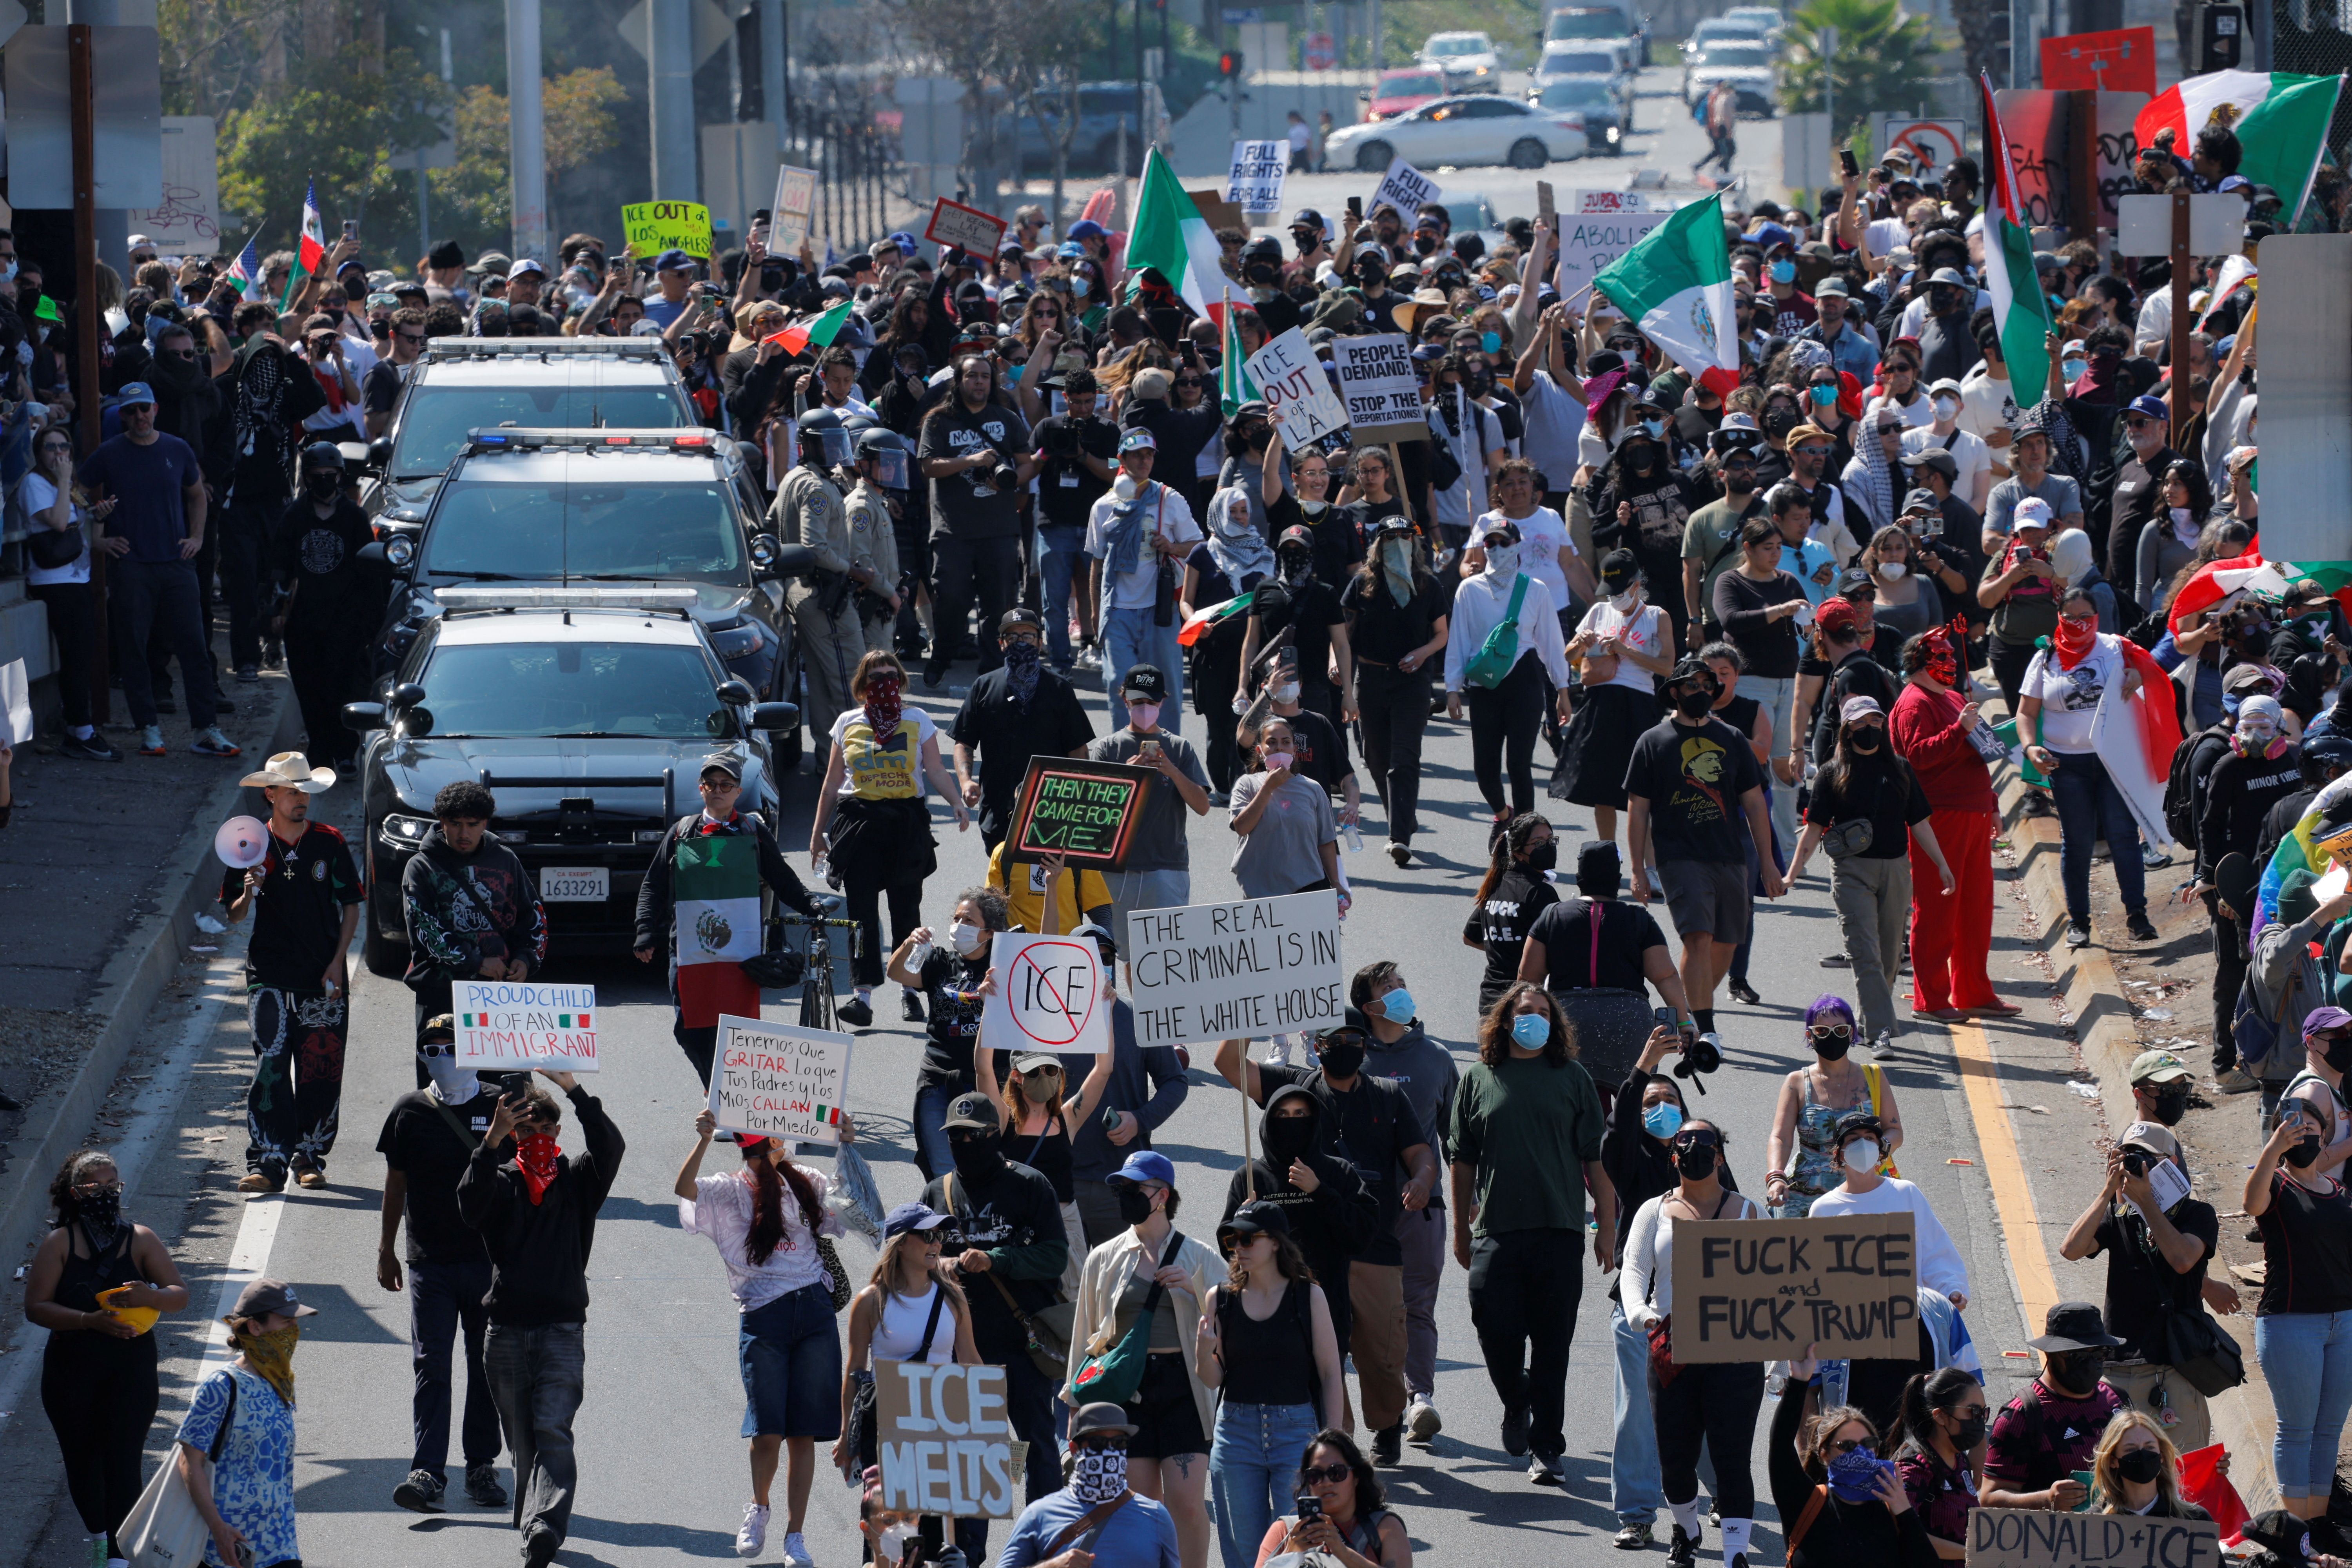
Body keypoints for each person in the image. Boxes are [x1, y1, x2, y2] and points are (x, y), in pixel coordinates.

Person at [1212, 1010, 1434, 1463]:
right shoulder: (1295, 1085)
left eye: (1355, 1036)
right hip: (1307, 1258)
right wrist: (1242, 1006)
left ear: (1366, 1044)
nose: (1346, 1044)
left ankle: (1390, 1420)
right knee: (1321, 1356)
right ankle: (1337, 1445)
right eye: (1335, 1038)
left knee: (1382, 1354)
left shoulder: (1389, 1096)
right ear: (1317, 1046)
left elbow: (1420, 1153)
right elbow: (1230, 1065)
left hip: (1370, 1242)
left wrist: (1423, 1180)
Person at [456, 1071, 625, 1567]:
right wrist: (490, 1143)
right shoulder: (502, 1181)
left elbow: (611, 1146)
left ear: (558, 1132)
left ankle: (544, 1528)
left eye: (546, 1130)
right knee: (524, 1438)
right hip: (506, 1331)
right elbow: (468, 1205)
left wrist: (574, 1090)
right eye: (526, 1131)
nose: (538, 1139)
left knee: (554, 1427)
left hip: (561, 1329)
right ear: (513, 1135)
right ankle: (532, 1521)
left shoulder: (578, 1179)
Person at [1448, 983, 1615, 1485]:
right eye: (1526, 1011)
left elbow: (1595, 1162)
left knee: (1552, 1346)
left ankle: (1548, 1447)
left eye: (1545, 1011)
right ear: (1505, 1020)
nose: (1536, 1019)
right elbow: (1460, 1161)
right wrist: (1460, 1228)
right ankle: (1517, 1400)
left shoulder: (1573, 1078)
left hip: (1558, 1232)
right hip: (1496, 1232)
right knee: (1494, 1329)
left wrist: (1606, 1227)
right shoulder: (1479, 1079)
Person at [675, 1108, 844, 1563]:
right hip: (763, 1317)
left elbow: (850, 1207)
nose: (779, 1142)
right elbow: (684, 1189)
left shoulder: (805, 1177)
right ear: (757, 1145)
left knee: (803, 1434)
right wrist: (705, 1139)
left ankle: (796, 1535)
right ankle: (760, 1506)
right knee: (767, 1432)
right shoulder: (731, 1188)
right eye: (770, 1139)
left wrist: (847, 1144)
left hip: (813, 1310)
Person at [24, 1149, 190, 1567]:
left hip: (130, 1370)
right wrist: (88, 1320)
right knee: (83, 1462)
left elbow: (179, 1295)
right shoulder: (59, 1243)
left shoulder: (142, 1239)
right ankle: (100, 1535)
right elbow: (36, 1307)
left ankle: (119, 1556)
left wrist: (149, 1295)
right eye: (95, 1187)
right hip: (71, 1371)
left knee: (124, 1461)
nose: (105, 1194)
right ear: (76, 1193)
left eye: (112, 1185)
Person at [921, 1092, 1071, 1536]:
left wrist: (998, 1259)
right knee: (974, 1458)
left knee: (1038, 1448)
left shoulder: (1030, 1185)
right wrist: (939, 1264)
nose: (963, 1143)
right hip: (961, 1352)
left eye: (972, 1136)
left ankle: (1044, 1547)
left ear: (993, 1135)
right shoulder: (937, 1191)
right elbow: (914, 1260)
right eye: (955, 1137)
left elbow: (1055, 1256)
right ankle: (968, 1555)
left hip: (1021, 1346)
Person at [1623, 1116, 1770, 1568]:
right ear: (1674, 1156)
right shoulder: (1654, 1212)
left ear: (1720, 1156)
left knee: (1732, 1459)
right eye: (1684, 1143)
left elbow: (1778, 1283)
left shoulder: (1750, 1213)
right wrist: (1642, 1314)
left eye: (1704, 1142)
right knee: (1676, 1460)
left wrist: (1784, 1348)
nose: (1694, 1150)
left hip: (1735, 1354)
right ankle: (1686, 1529)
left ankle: (1735, 1552)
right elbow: (1633, 1272)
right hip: (1673, 1353)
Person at [377, 1017, 509, 1516]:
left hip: (486, 1263)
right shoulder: (409, 1110)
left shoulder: (501, 1104)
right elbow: (396, 1184)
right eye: (430, 1049)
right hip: (428, 1263)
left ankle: (481, 1467)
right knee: (431, 1366)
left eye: (451, 1046)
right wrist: (386, 1248)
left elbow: (529, 1167)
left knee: (485, 1366)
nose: (441, 1056)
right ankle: (429, 1471)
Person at [1066, 1152, 1220, 1568]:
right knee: (1138, 1505)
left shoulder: (1200, 1256)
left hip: (1183, 1387)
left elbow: (1234, 1319)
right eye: (1122, 1189)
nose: (1126, 1195)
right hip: (1125, 1390)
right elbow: (1086, 1335)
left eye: (1135, 1188)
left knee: (1187, 1505)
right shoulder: (1105, 1256)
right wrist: (1075, 1404)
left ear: (1162, 1195)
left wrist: (1193, 1291)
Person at [220, 751, 361, 1192]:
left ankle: (309, 1156)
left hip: (322, 973)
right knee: (271, 1067)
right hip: (269, 974)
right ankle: (268, 1160)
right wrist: (250, 891)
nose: (303, 799)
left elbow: (352, 904)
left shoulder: (329, 841)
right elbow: (235, 916)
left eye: (306, 792)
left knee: (321, 1068)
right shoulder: (247, 842)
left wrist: (339, 961)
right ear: (271, 795)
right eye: (294, 792)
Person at [633, 754, 826, 1076]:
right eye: (711, 784)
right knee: (690, 1029)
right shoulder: (682, 832)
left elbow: (783, 879)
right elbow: (653, 886)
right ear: (701, 789)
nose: (717, 790)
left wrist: (812, 905)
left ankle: (730, 1104)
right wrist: (645, 930)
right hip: (687, 951)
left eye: (726, 785)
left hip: (741, 951)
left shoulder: (753, 832)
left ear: (738, 791)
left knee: (737, 1031)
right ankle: (716, 1092)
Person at [1626, 657, 1786, 1036]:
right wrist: (1636, 870)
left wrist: (1768, 863)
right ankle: (1705, 1028)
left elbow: (1755, 803)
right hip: (1678, 857)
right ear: (1676, 691)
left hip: (1730, 856)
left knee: (1728, 943)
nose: (1701, 692)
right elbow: (1638, 811)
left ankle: (1683, 1007)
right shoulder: (1653, 742)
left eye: (1706, 685)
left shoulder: (1731, 738)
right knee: (1698, 936)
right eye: (1692, 686)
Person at [811, 651, 972, 1028]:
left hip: (905, 824)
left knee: (906, 913)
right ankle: (862, 996)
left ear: (899, 680)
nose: (883, 682)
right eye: (874, 676)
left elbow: (934, 767)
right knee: (862, 916)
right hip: (860, 825)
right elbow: (833, 783)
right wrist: (818, 832)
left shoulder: (917, 719)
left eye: (889, 674)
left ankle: (910, 992)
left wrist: (956, 803)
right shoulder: (847, 723)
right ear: (863, 685)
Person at [77, 381, 237, 757]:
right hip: (132, 566)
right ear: (123, 416)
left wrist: (196, 537)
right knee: (135, 649)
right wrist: (96, 536)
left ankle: (206, 730)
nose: (139, 417)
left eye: (144, 408)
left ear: (155, 409)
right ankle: (148, 729)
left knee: (195, 649)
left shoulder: (177, 449)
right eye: (131, 412)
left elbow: (197, 494)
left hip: (176, 564)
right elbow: (77, 491)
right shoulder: (110, 452)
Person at [1788, 697, 1955, 1049]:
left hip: (1895, 869)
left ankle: (1867, 1023)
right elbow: (1814, 829)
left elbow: (1920, 822)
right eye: (1861, 724)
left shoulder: (1899, 768)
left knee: (1889, 955)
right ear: (1847, 730)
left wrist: (1942, 864)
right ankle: (1882, 1033)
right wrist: (1791, 874)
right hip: (1851, 872)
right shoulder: (1833, 773)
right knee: (1865, 953)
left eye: (1876, 722)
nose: (1870, 729)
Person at [2058, 1119, 2220, 1455]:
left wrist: (2147, 1202)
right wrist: (2108, 1192)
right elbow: (2071, 1250)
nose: (2135, 1166)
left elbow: (2182, 1260)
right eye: (2128, 1156)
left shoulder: (2197, 1214)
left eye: (2145, 1158)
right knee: (2113, 1474)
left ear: (2171, 1163)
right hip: (2117, 1369)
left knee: (2181, 1477)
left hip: (2172, 1369)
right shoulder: (2119, 1214)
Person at [1199, 1202, 1346, 1568]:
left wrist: (1335, 1444)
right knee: (1245, 1553)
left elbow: (1330, 1374)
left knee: (1300, 1548)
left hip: (1295, 1433)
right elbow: (1212, 1378)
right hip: (1235, 1434)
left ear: (1277, 1243)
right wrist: (1204, 1350)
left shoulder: (1308, 1297)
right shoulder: (1220, 1299)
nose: (1238, 1248)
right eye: (1233, 1239)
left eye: (1248, 1238)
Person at [1888, 623, 2019, 1020]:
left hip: (1972, 813)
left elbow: (1979, 753)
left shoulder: (1946, 696)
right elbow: (1919, 757)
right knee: (1937, 908)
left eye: (1950, 654)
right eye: (1941, 656)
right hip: (1939, 817)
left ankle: (1973, 991)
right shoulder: (1915, 702)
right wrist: (1957, 729)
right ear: (1920, 662)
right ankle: (1931, 998)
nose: (1950, 661)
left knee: (1975, 909)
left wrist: (1992, 803)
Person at [2018, 585, 2161, 947]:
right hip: (2066, 766)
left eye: (2087, 618)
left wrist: (2137, 675)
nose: (2079, 624)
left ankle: (2138, 916)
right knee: (2077, 843)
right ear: (2059, 618)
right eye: (2071, 618)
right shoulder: (2044, 659)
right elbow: (2026, 713)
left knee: (2124, 837)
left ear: (2097, 618)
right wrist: (2030, 747)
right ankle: (2079, 922)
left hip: (2114, 761)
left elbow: (2154, 669)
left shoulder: (2116, 648)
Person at [2246, 1092, 2352, 1521]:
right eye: (2294, 1128)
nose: (2303, 1134)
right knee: (2297, 1430)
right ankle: (2297, 1534)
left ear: (2324, 1134)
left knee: (2328, 1432)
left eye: (2311, 1128)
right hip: (2291, 1324)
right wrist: (2274, 1149)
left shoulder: (2340, 1191)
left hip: (2344, 1324)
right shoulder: (2274, 1183)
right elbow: (2251, 1204)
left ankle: (2317, 1524)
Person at [175, 1279, 317, 1568]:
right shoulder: (223, 1386)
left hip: (280, 1544)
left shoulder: (281, 1383)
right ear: (255, 1327)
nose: (294, 1331)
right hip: (228, 1550)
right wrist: (218, 1528)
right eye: (286, 1321)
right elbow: (189, 1463)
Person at [400, 779, 547, 1058]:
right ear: (442, 822)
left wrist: (525, 959)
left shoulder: (506, 860)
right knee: (444, 1084)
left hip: (499, 993)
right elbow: (426, 931)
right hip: (442, 991)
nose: (464, 833)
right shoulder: (420, 867)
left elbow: (534, 917)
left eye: (473, 824)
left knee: (506, 1084)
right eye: (455, 823)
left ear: (485, 824)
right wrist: (477, 963)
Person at [918, 354, 1036, 686]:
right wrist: (970, 460)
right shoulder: (939, 420)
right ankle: (942, 656)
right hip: (952, 529)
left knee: (998, 603)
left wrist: (1009, 477)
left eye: (985, 376)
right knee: (952, 598)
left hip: (998, 529)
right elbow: (928, 467)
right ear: (959, 380)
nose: (980, 382)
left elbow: (1028, 464)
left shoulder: (1008, 418)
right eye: (972, 376)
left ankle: (993, 672)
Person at [1767, 1354, 1940, 1568]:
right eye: (1848, 1446)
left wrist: (1905, 1512)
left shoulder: (1891, 1512)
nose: (1860, 1452)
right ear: (1825, 1454)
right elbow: (1780, 1446)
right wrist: (1799, 1381)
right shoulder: (1807, 1503)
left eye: (1868, 1443)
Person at [1346, 517, 1450, 866]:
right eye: (1391, 537)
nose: (1400, 542)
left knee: (1404, 759)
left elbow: (1441, 634)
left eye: (1406, 537)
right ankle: (1401, 814)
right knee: (1376, 757)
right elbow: (1342, 633)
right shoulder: (1362, 584)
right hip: (1372, 680)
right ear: (1378, 543)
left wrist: (1422, 654)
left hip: (1412, 683)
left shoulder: (1428, 585)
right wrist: (1337, 662)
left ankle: (1399, 837)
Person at [1085, 664, 1213, 945]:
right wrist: (1127, 778)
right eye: (1138, 701)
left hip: (1167, 868)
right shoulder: (1107, 748)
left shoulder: (1179, 748)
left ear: (1162, 702)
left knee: (1168, 952)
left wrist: (1172, 771)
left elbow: (1203, 806)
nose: (1145, 708)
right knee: (1124, 953)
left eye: (1152, 702)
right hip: (1117, 869)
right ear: (1125, 700)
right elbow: (1093, 812)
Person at [1555, 549, 1673, 853]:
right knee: (1602, 789)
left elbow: (1668, 667)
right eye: (1610, 592)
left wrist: (1627, 651)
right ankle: (1608, 855)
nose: (1614, 598)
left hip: (1638, 705)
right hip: (1600, 702)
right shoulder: (1598, 611)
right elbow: (1568, 656)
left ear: (1636, 584)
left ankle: (1649, 865)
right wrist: (1580, 644)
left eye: (1620, 591)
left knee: (1643, 790)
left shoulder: (1656, 616)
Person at [951, 608, 1097, 851]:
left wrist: (1079, 800)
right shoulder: (984, 687)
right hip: (998, 809)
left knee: (1045, 886)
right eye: (1012, 637)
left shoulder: (1059, 689)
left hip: (1051, 810)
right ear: (1001, 644)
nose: (1020, 642)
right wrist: (966, 782)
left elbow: (1078, 749)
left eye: (1027, 636)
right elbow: (964, 742)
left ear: (1039, 643)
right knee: (1000, 884)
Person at [1088, 428, 1203, 731]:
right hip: (1118, 612)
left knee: (1164, 689)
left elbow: (1198, 547)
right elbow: (1097, 563)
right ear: (1121, 459)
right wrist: (1095, 613)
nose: (1144, 460)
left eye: (1149, 455)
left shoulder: (1169, 499)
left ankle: (1165, 761)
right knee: (1119, 685)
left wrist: (1172, 547)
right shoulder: (1103, 507)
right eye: (1137, 454)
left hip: (1160, 610)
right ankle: (1124, 756)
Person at [269, 443, 374, 771]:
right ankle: (320, 747)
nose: (325, 482)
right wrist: (274, 611)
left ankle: (345, 750)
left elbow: (370, 572)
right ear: (307, 480)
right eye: (317, 477)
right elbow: (280, 566)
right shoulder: (295, 516)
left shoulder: (355, 518)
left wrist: (372, 621)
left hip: (345, 620)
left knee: (343, 685)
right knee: (310, 688)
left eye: (331, 476)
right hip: (304, 620)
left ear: (341, 477)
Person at [1711, 514, 1809, 852]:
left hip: (1789, 682)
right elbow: (1732, 621)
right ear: (1748, 548)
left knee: (1785, 764)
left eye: (1780, 547)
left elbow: (1800, 625)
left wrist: (1809, 626)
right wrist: (1779, 610)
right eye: (1768, 547)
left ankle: (1783, 849)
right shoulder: (1730, 581)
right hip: (1751, 683)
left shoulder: (1788, 581)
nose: (1776, 554)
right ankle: (1744, 839)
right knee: (1751, 760)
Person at [986, 1043, 1115, 1296]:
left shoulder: (1068, 1118)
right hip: (1016, 1226)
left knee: (1074, 1301)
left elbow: (1104, 1070)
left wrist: (1106, 1012)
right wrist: (989, 1014)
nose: (1044, 1076)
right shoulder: (1003, 1119)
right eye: (1034, 1072)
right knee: (1017, 1298)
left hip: (1064, 1223)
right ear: (1016, 1077)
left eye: (1050, 1070)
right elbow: (983, 1071)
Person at [20, 426, 116, 761]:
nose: (59, 453)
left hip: (77, 579)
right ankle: (80, 731)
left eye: (65, 447)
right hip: (54, 582)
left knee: (83, 655)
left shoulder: (67, 486)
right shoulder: (36, 483)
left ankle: (79, 729)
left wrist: (97, 517)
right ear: (39, 452)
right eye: (51, 447)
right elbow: (59, 524)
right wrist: (63, 480)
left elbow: (84, 535)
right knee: (76, 658)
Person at [1767, 998, 1907, 1218]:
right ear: (1810, 1036)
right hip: (1804, 1196)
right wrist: (1776, 1178)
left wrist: (1878, 1148)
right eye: (1822, 1030)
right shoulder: (1796, 1083)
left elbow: (1894, 1130)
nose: (1832, 1036)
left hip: (1864, 1188)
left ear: (1852, 1034)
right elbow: (1781, 1138)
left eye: (1841, 1030)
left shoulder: (1874, 1076)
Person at [1979, 1302, 2126, 1513]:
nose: (2092, 1364)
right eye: (2080, 1356)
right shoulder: (2022, 1416)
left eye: (2100, 1354)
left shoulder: (2118, 1400)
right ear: (2051, 1354)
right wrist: (2047, 1499)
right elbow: (1990, 1498)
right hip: (2059, 1540)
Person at [997, 1403, 1181, 1568]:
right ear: (1074, 1449)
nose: (1111, 1453)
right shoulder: (1039, 1515)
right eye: (1098, 1443)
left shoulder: (1156, 1516)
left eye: (1119, 1443)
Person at [1249, 1429, 1413, 1568]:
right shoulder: (1284, 1531)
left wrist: (1343, 1553)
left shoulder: (1384, 1528)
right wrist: (1290, 1556)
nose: (1326, 1482)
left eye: (1337, 1473)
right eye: (1316, 1475)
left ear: (1356, 1477)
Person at [1227, 718, 1344, 905]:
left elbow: (1326, 841)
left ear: (1294, 750)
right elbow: (1242, 827)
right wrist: (1267, 788)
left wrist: (1336, 883)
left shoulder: (1313, 789)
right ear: (1260, 752)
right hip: (1260, 889)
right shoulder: (1246, 785)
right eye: (1272, 743)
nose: (1279, 748)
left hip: (1307, 885)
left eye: (1286, 742)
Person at [1466, 813, 1560, 1015]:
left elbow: (1470, 937)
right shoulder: (1539, 893)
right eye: (1539, 843)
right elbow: (1560, 949)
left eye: (1551, 840)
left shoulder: (1496, 886)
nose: (1549, 847)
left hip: (1490, 1002)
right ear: (1518, 853)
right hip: (1524, 1005)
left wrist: (1503, 948)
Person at [1892, 1367, 1989, 1559]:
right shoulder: (1914, 1469)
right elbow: (1903, 1534)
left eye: (1984, 1412)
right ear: (1941, 1416)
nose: (1981, 1420)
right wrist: (1971, 1555)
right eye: (1974, 1412)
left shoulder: (1958, 1459)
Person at [2091, 1409, 2209, 1519]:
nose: (2142, 1454)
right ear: (2112, 1461)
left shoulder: (2195, 1519)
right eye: (2130, 1449)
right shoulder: (2092, 1522)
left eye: (2150, 1447)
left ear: (2161, 1456)